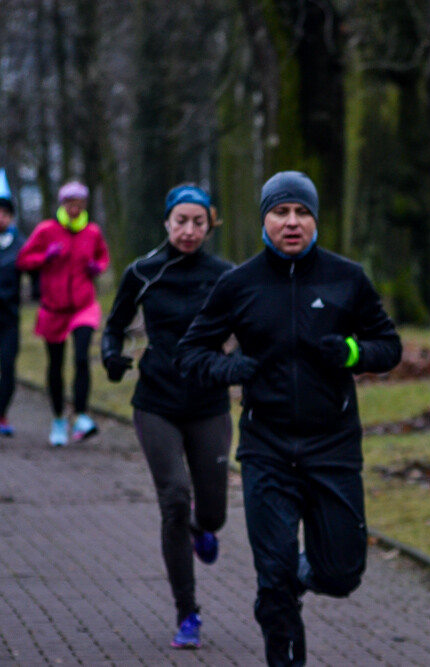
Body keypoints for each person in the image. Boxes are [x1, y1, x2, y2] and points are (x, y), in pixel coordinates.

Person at [175, 171, 402, 666]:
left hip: (333, 445)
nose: (292, 222)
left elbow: (389, 347)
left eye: (302, 212)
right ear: (265, 220)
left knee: (341, 573)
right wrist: (230, 367)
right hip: (267, 448)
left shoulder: (347, 278)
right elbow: (190, 353)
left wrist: (349, 352)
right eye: (281, 212)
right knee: (272, 583)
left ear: (315, 219)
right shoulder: (239, 284)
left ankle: (295, 577)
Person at [100, 184, 234, 650]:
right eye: (181, 221)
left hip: (209, 403)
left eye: (199, 222)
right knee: (175, 500)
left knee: (211, 513)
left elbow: (252, 328)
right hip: (156, 401)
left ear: (209, 225)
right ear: (167, 222)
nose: (190, 230)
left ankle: (204, 527)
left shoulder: (225, 275)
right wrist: (111, 357)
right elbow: (114, 326)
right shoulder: (144, 271)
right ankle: (187, 612)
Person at [17, 180, 109, 446]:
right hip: (53, 308)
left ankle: (80, 415)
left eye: (79, 202)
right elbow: (24, 259)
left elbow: (103, 257)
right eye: (70, 202)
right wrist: (44, 257)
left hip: (83, 306)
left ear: (84, 205)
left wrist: (97, 267)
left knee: (82, 358)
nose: (74, 207)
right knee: (55, 365)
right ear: (62, 204)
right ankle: (58, 418)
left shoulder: (92, 232)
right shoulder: (46, 230)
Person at [0, 169, 24, 436]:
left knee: (8, 368)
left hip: (9, 317)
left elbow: (35, 266)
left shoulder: (20, 244)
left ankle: (2, 413)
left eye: (5, 213)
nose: (0, 217)